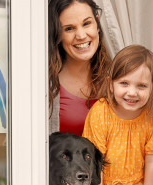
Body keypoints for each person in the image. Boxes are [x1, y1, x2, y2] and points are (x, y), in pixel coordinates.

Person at [82, 45, 153, 185]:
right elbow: (94, 159)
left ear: (152, 88)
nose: (132, 92)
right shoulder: (101, 112)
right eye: (124, 83)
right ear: (111, 85)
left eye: (141, 86)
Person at [48, 0, 110, 136]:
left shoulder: (117, 78)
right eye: (69, 28)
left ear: (97, 24)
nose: (81, 36)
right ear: (57, 34)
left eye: (86, 23)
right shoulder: (47, 87)